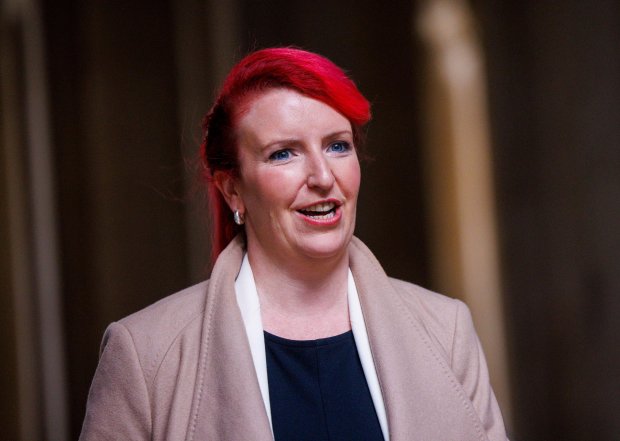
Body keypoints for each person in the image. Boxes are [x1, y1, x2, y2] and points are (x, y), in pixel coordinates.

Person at [79, 47, 508, 441]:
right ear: (233, 190)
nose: (323, 177)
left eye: (337, 146)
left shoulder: (447, 330)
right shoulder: (144, 354)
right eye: (284, 153)